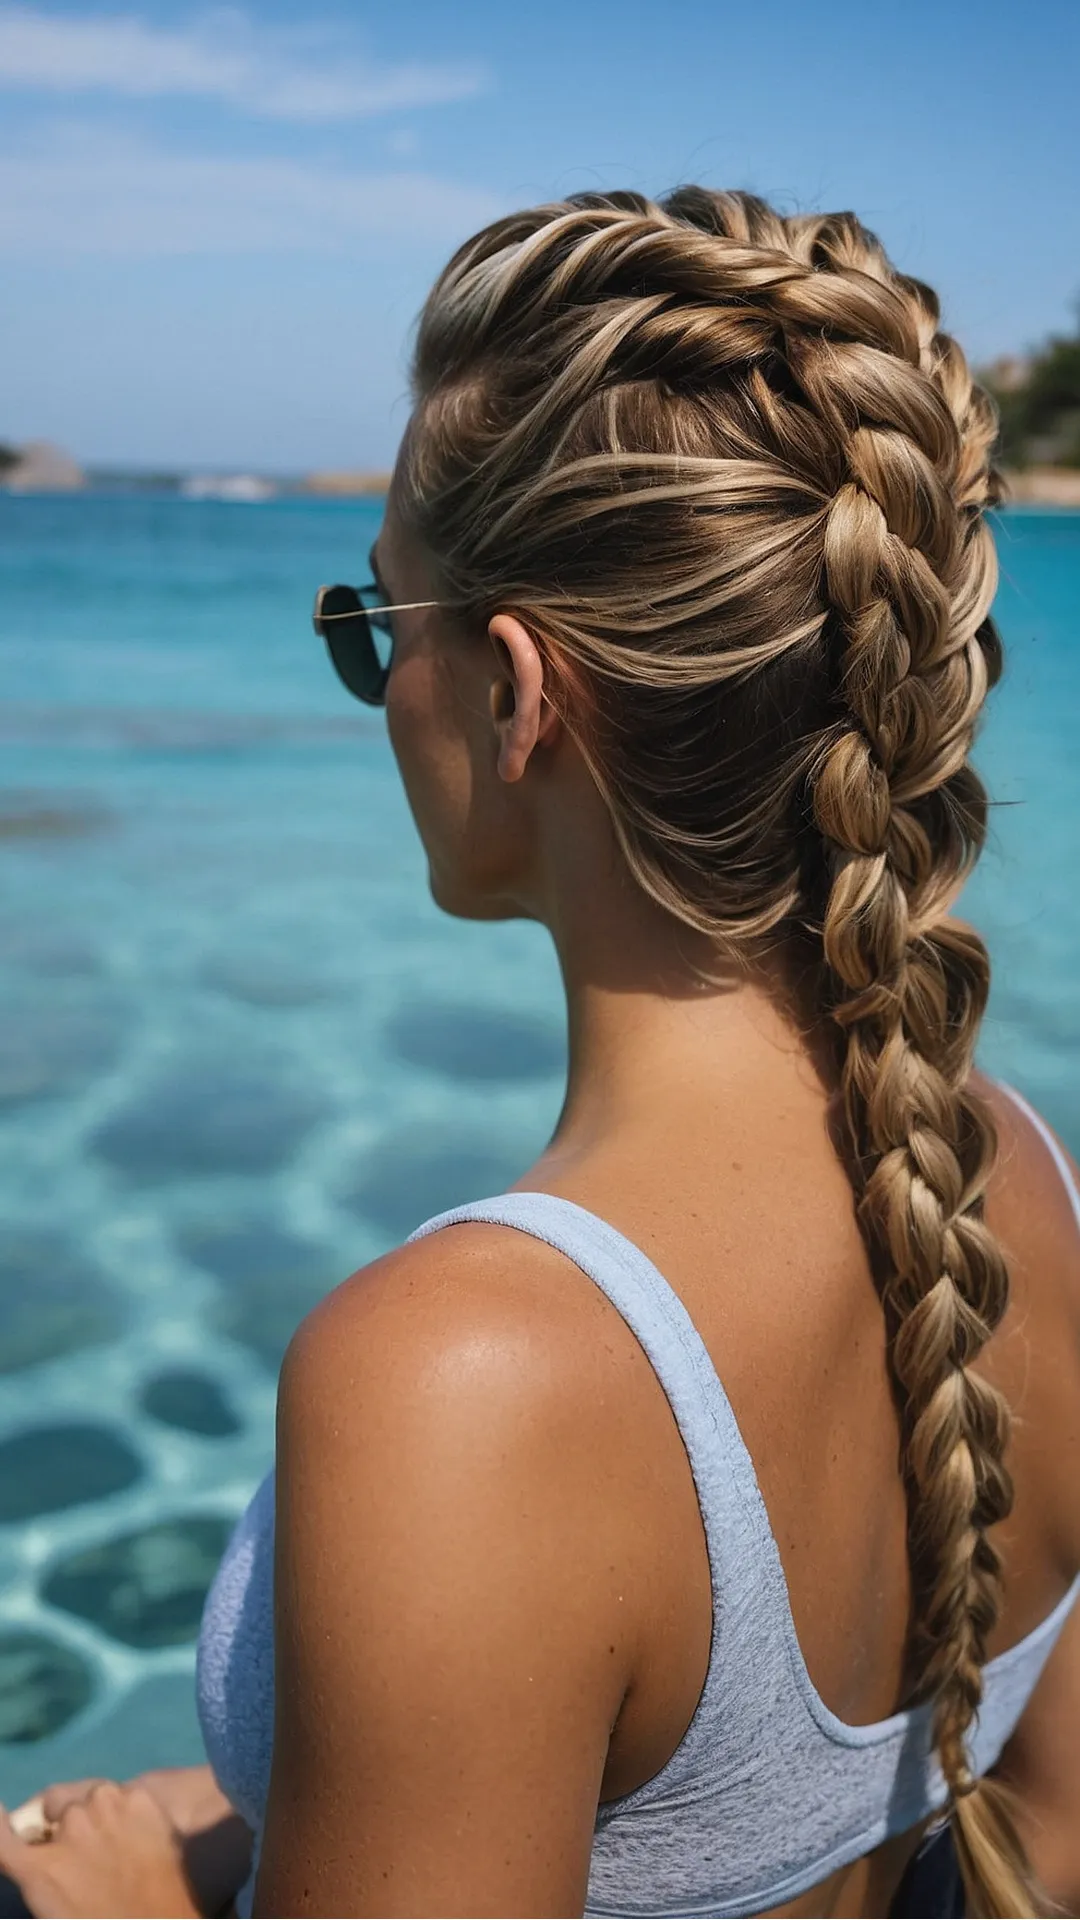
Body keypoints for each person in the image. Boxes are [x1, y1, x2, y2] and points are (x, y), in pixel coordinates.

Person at [1, 186, 1078, 1920]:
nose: (381, 689)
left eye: (376, 629)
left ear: (517, 691)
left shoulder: (458, 1382)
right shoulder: (1019, 1178)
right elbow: (1052, 1839)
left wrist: (130, 1903)